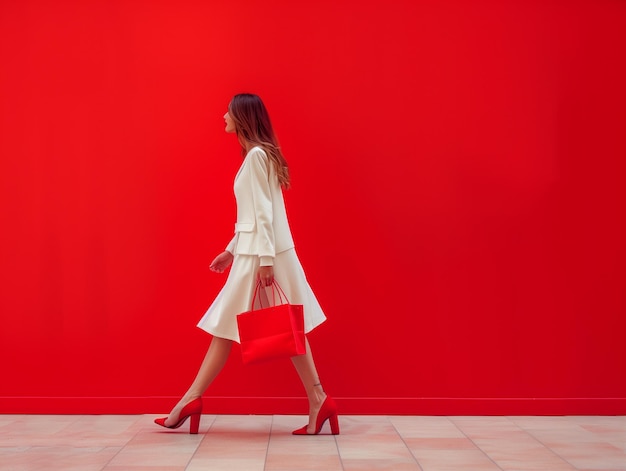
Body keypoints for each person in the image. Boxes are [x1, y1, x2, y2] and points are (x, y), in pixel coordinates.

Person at [154, 93, 339, 436]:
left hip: (260, 259)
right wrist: (230, 250)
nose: (223, 115)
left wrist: (264, 261)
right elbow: (252, 217)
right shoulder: (260, 155)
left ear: (241, 118)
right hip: (257, 253)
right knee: (285, 328)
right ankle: (319, 399)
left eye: (228, 111)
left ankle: (190, 400)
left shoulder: (255, 156)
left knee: (231, 327)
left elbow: (265, 215)